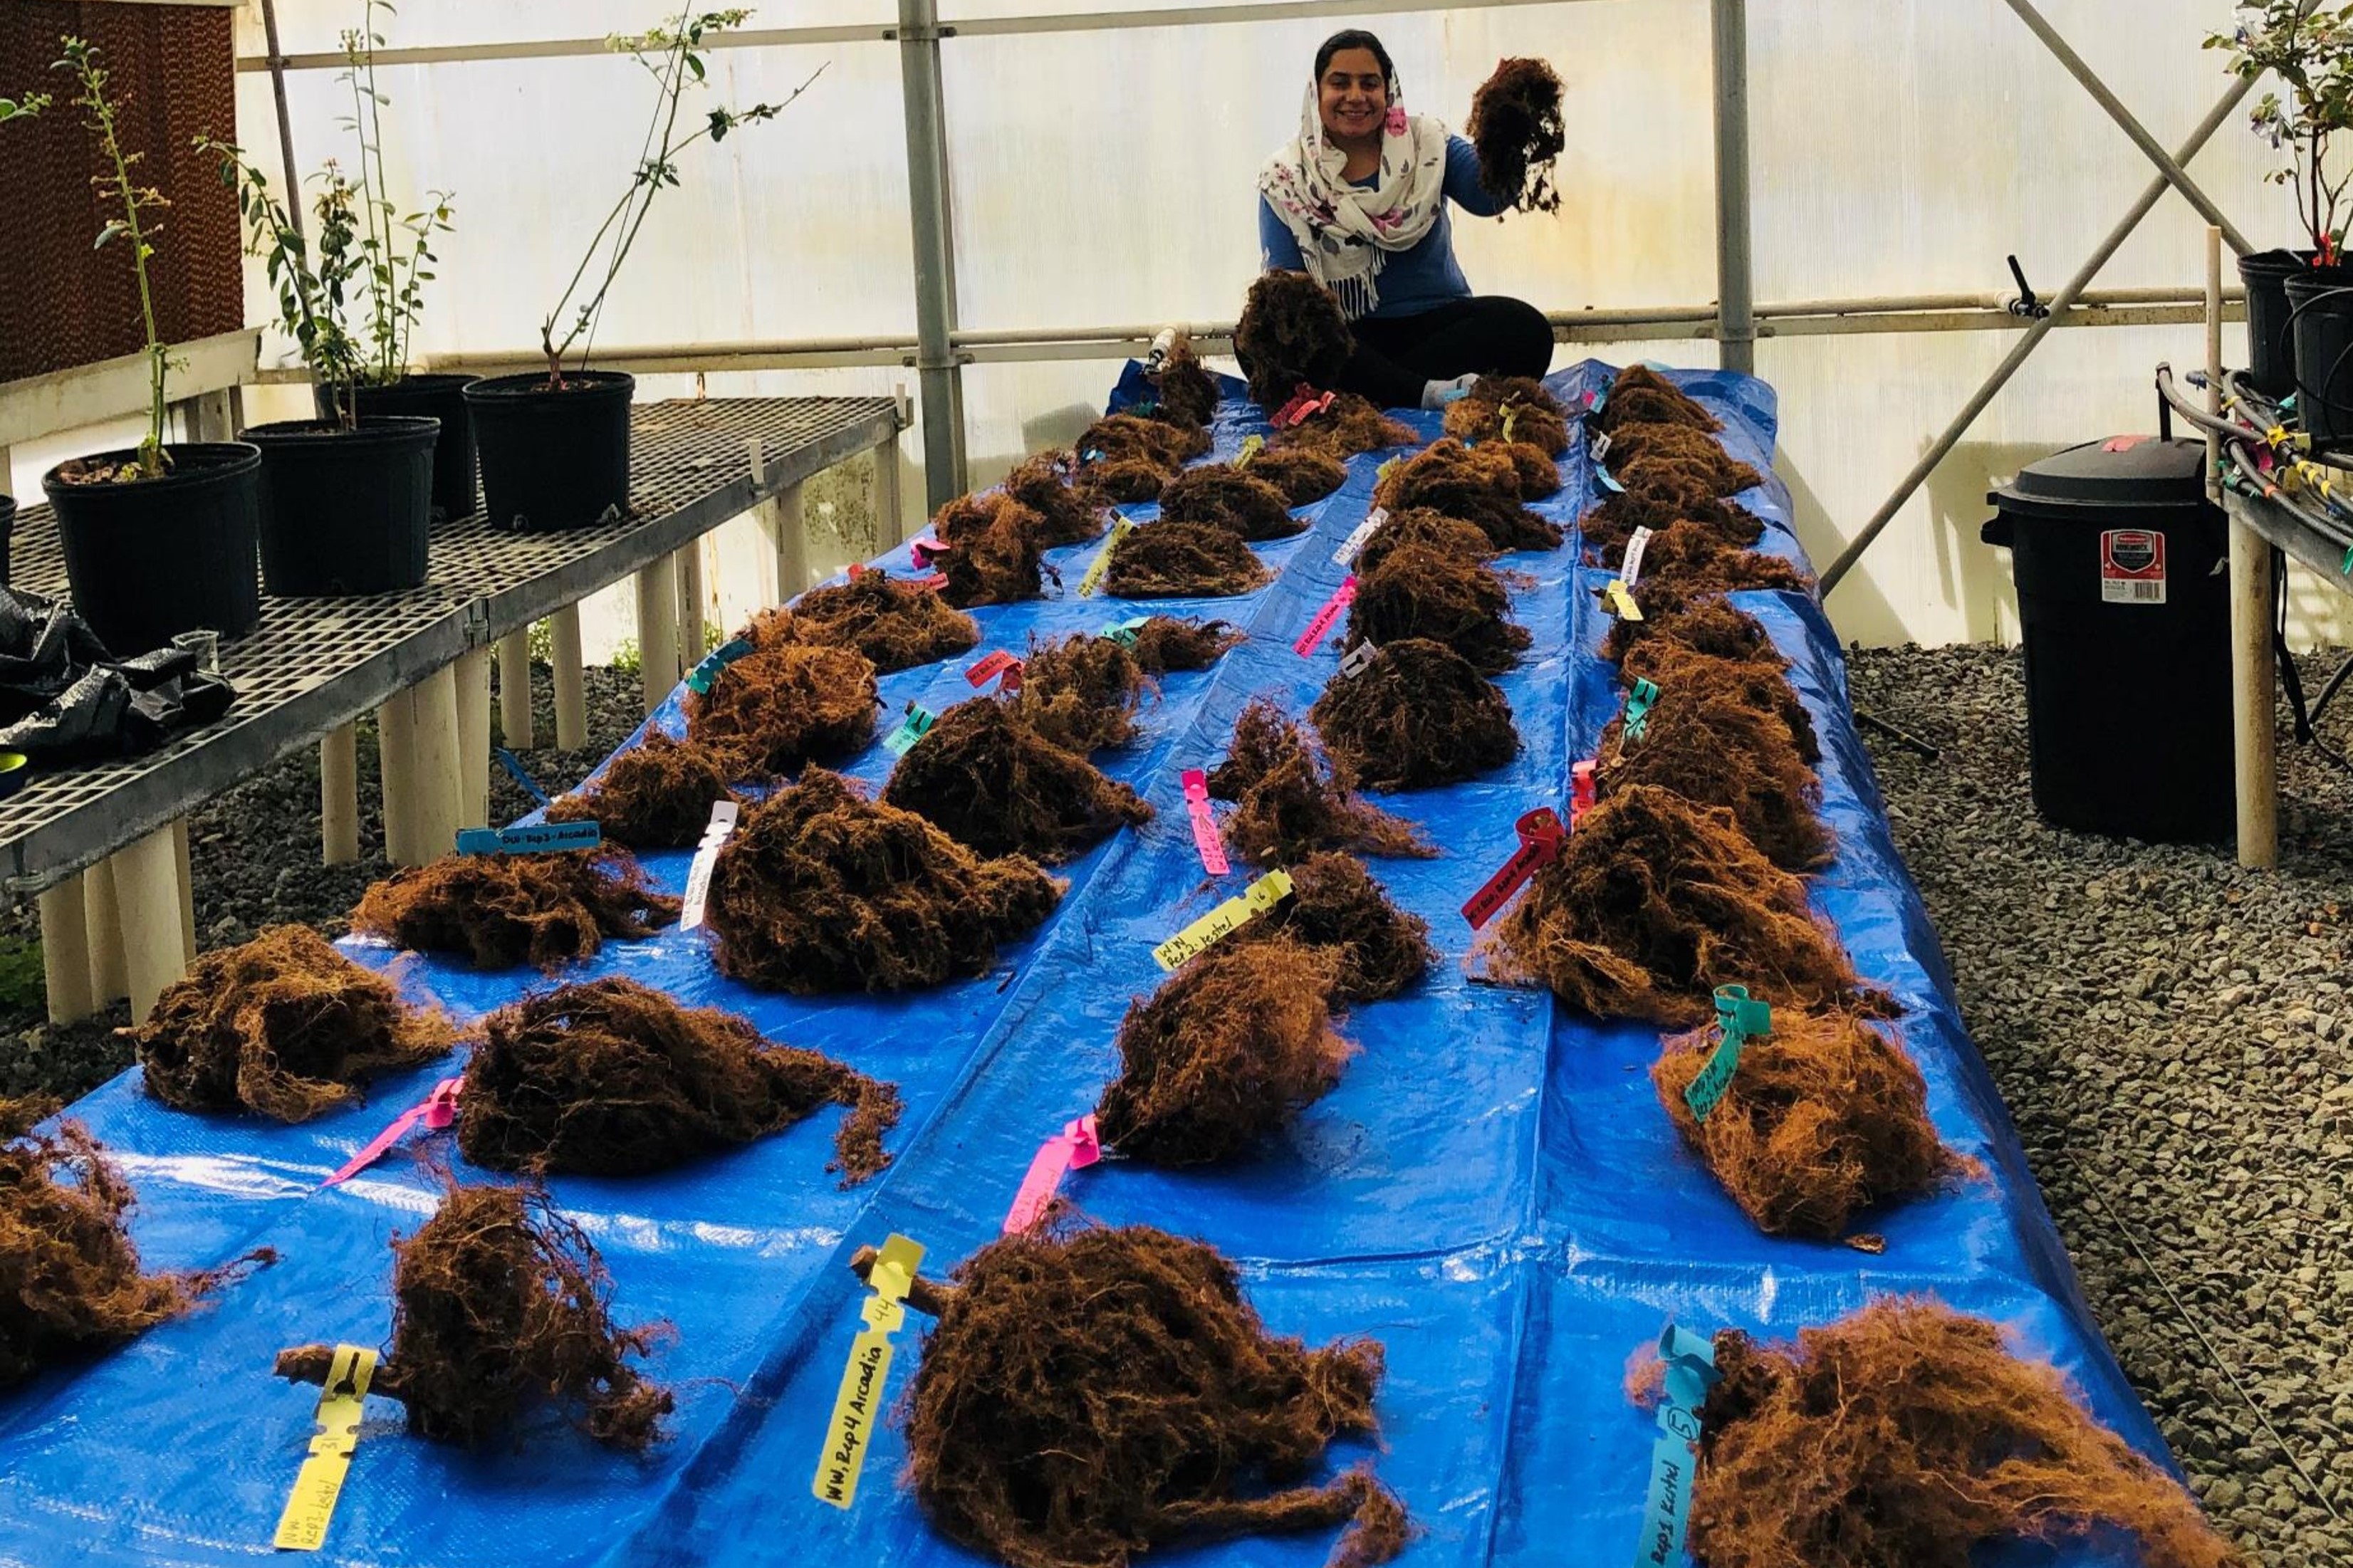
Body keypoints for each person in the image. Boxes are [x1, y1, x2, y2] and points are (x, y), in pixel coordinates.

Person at [1258, 28, 1555, 412]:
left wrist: (1508, 125)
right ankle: (1424, 393)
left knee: (1526, 330)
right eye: (1339, 83)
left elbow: (1489, 196)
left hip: (1435, 328)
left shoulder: (1428, 144)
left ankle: (1369, 390)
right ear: (1317, 93)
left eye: (1369, 83)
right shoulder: (1285, 177)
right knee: (1266, 338)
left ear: (1388, 90)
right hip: (1345, 338)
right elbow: (1288, 290)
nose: (1355, 97)